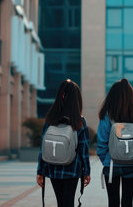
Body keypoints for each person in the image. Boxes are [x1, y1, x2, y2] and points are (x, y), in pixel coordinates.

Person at [36, 79, 91, 207]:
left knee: (60, 202)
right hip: (72, 169)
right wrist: (86, 172)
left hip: (53, 167)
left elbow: (43, 148)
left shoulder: (50, 119)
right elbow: (84, 150)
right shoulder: (79, 121)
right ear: (77, 99)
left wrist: (40, 171)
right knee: (68, 202)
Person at [97, 78, 133, 207]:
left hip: (111, 166)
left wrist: (106, 161)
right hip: (131, 165)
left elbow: (101, 143)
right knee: (128, 202)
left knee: (113, 203)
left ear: (111, 96)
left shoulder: (106, 115)